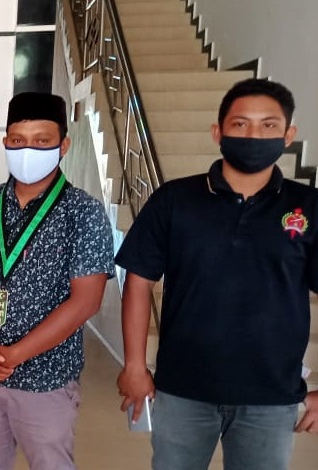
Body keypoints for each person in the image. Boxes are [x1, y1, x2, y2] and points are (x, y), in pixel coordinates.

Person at [117, 78, 318, 469]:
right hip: (182, 390)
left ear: (288, 135)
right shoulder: (174, 200)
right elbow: (138, 281)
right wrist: (135, 366)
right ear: (218, 132)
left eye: (268, 125)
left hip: (271, 397)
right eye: (240, 124)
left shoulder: (309, 206)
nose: (254, 135)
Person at [0, 92, 114, 470]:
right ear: (6, 142)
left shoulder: (83, 212)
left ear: (63, 145)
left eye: (42, 141)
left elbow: (85, 301)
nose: (28, 149)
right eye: (19, 140)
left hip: (46, 378)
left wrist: (14, 355)